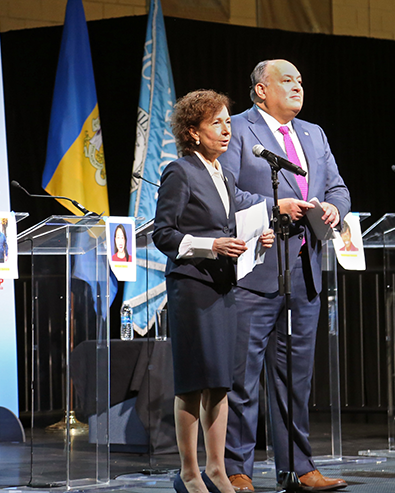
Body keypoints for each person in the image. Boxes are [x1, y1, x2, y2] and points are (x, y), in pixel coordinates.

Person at [218, 59, 350, 492]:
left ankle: (299, 468)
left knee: (295, 378)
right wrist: (274, 206)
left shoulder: (314, 133)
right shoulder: (236, 129)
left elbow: (337, 188)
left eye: (300, 81)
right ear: (260, 90)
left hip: (304, 270)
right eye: (287, 80)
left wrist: (334, 208)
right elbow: (224, 192)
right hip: (254, 269)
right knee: (243, 377)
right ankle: (236, 470)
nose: (298, 87)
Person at [153, 89, 274, 493]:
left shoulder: (225, 174)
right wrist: (211, 246)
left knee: (221, 381)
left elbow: (230, 228)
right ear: (193, 132)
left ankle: (217, 469)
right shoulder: (180, 171)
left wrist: (257, 240)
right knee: (193, 381)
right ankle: (188, 472)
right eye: (216, 123)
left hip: (224, 288)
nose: (227, 130)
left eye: (228, 121)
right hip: (192, 288)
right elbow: (163, 234)